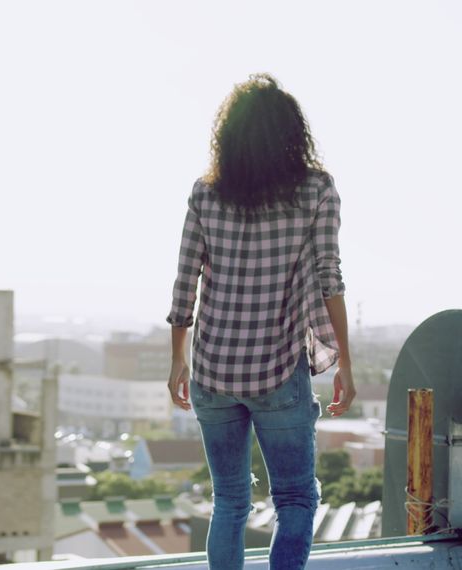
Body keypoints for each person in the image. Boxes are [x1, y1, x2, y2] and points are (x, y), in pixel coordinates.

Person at [166, 73, 354, 570]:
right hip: (278, 371)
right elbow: (329, 279)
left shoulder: (205, 194)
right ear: (293, 133)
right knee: (295, 500)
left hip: (212, 369)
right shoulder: (316, 190)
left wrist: (176, 360)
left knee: (229, 501)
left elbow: (185, 281)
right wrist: (346, 367)